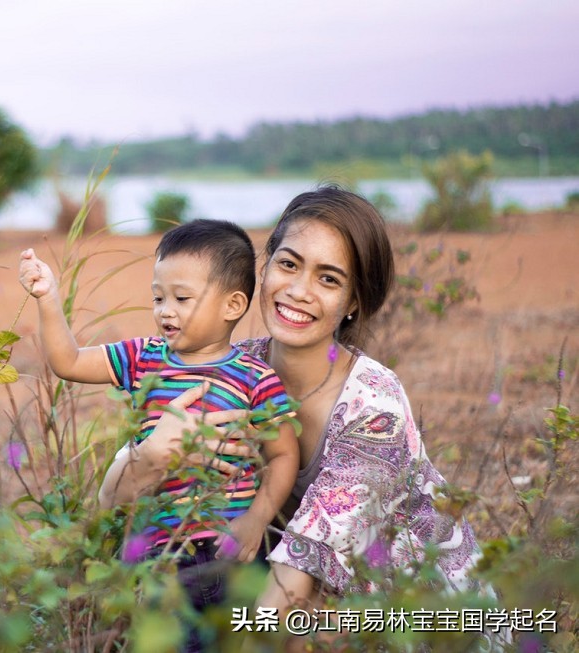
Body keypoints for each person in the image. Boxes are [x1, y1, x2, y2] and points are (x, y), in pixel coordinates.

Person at [99, 186, 490, 650]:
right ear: (262, 271)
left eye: (328, 279)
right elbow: (111, 501)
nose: (298, 291)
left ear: (353, 302)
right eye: (288, 264)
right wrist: (151, 457)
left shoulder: (373, 406)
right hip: (290, 590)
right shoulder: (231, 369)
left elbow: (295, 578)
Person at [19, 219, 299, 647]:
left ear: (232, 304)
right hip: (162, 557)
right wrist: (48, 299)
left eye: (182, 298)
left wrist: (257, 517)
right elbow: (69, 362)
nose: (165, 310)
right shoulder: (144, 358)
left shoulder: (256, 379)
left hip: (233, 551)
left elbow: (283, 455)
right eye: (158, 297)